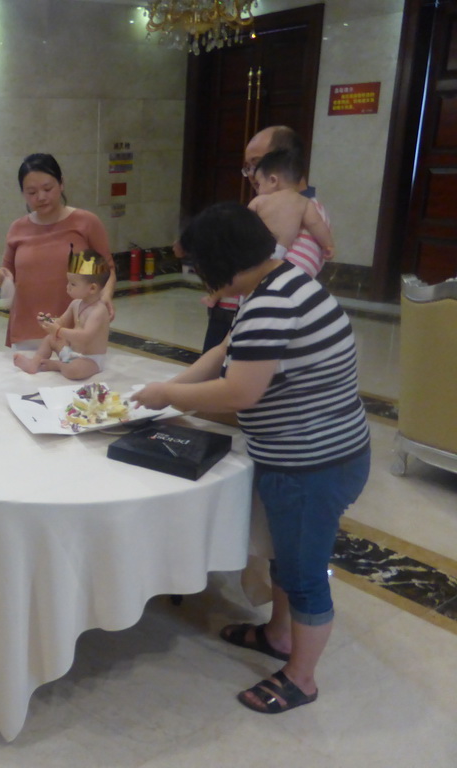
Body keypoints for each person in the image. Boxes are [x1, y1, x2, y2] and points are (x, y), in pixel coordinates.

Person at [132, 202, 370, 715]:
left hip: (312, 463)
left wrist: (169, 397)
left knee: (304, 571)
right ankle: (279, 637)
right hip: (325, 451)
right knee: (286, 555)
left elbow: (239, 392)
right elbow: (225, 352)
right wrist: (171, 385)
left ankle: (301, 678)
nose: (200, 278)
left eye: (200, 267)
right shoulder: (283, 282)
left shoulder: (270, 304)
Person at [201, 126, 331, 352]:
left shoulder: (311, 214)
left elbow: (287, 281)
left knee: (228, 382)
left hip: (255, 318)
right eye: (247, 167)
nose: (252, 174)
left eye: (256, 163)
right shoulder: (268, 205)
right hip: (231, 314)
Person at [0, 153, 113, 350]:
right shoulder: (17, 228)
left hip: (76, 329)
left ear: (61, 184)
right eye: (31, 192)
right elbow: (5, 272)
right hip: (28, 329)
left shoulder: (85, 222)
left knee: (74, 376)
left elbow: (107, 269)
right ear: (23, 193)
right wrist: (0, 276)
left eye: (47, 188)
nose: (41, 197)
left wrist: (105, 297)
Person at [13, 249, 113, 380]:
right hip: (71, 353)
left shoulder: (99, 311)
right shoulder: (76, 303)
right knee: (50, 338)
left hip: (90, 360)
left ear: (92, 288)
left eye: (73, 284)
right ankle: (34, 363)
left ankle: (57, 365)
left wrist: (59, 330)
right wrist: (50, 323)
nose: (68, 287)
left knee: (74, 371)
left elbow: (85, 337)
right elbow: (61, 322)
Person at [249, 149, 335, 262]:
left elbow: (244, 223)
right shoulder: (304, 202)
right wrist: (328, 245)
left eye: (259, 184)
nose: (257, 190)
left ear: (273, 180)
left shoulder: (260, 200)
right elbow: (316, 224)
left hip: (259, 248)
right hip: (280, 252)